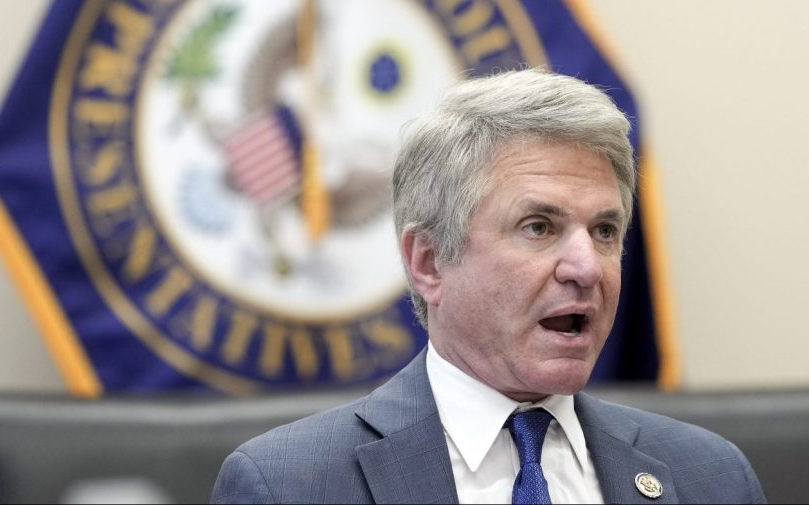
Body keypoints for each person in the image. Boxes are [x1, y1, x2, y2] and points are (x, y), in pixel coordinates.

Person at [211, 69, 767, 504]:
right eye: (539, 227)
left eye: (604, 230)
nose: (587, 267)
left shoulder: (710, 477)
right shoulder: (289, 486)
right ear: (429, 262)